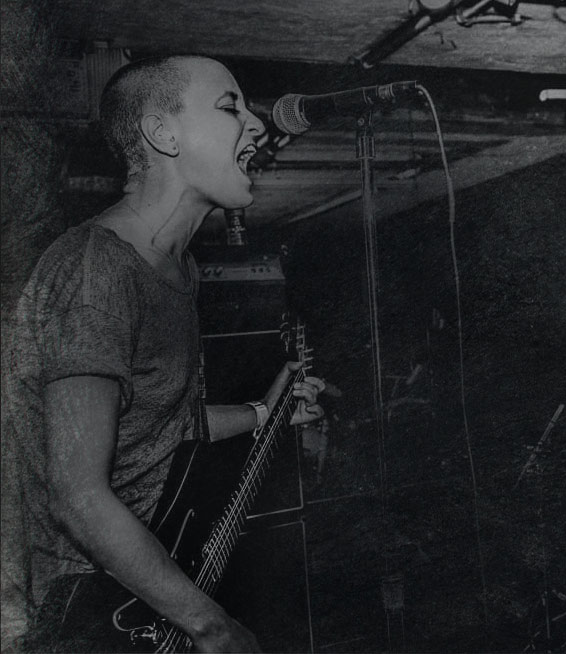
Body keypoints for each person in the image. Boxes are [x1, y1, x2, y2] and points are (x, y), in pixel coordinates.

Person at [0, 55, 325, 653]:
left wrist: (265, 412)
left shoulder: (180, 269)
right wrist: (211, 624)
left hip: (134, 591)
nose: (257, 125)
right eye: (229, 107)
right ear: (162, 134)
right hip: (75, 615)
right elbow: (79, 498)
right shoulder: (97, 272)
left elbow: (161, 427)